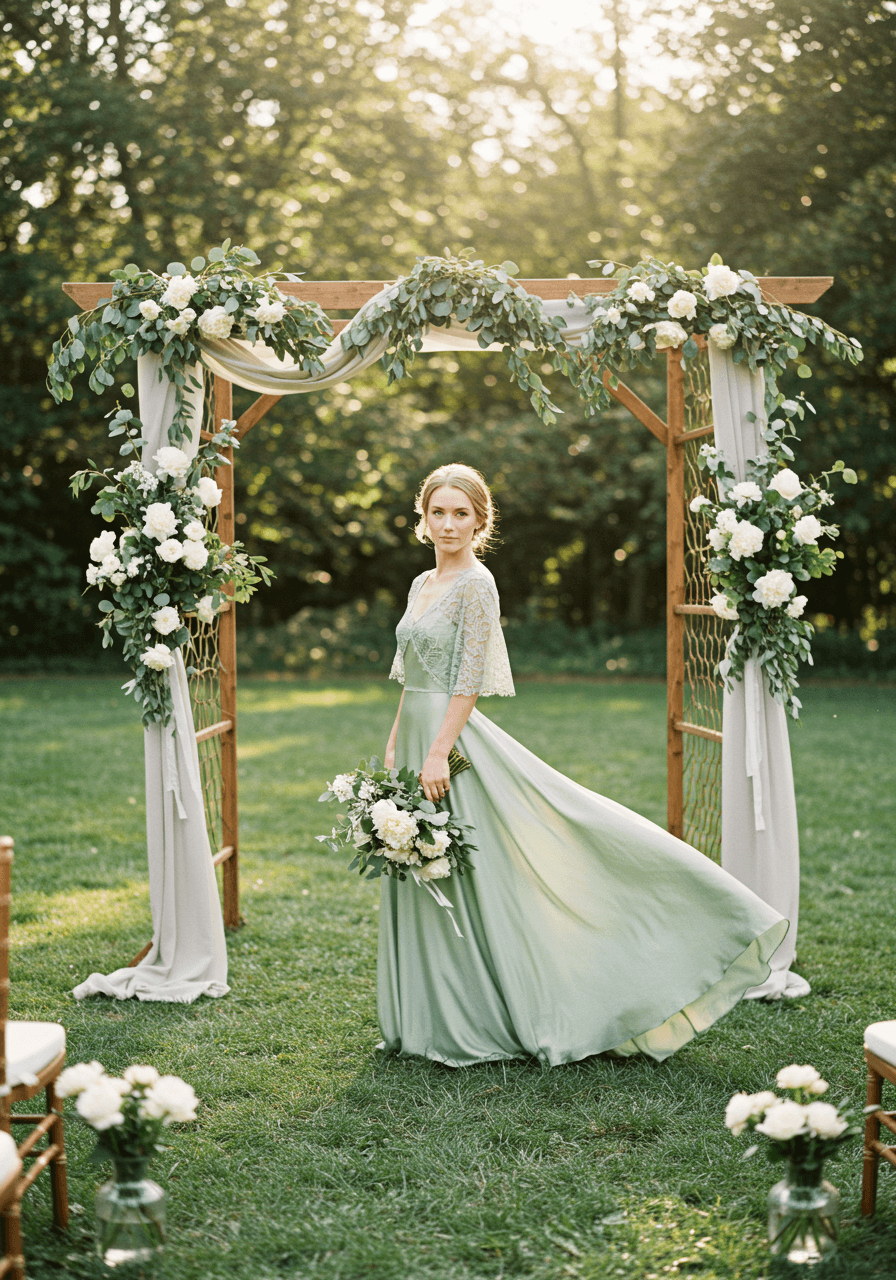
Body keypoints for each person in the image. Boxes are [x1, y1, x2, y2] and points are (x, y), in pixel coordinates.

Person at [378, 463, 787, 1066]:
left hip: (450, 744)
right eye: (437, 511)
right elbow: (410, 676)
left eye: (460, 512)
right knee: (424, 868)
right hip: (415, 732)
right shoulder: (421, 583)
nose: (447, 523)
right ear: (423, 517)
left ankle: (504, 1008)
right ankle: (427, 1017)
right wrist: (396, 745)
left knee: (479, 865)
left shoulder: (477, 584)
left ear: (480, 521)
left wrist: (439, 750)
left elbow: (467, 677)